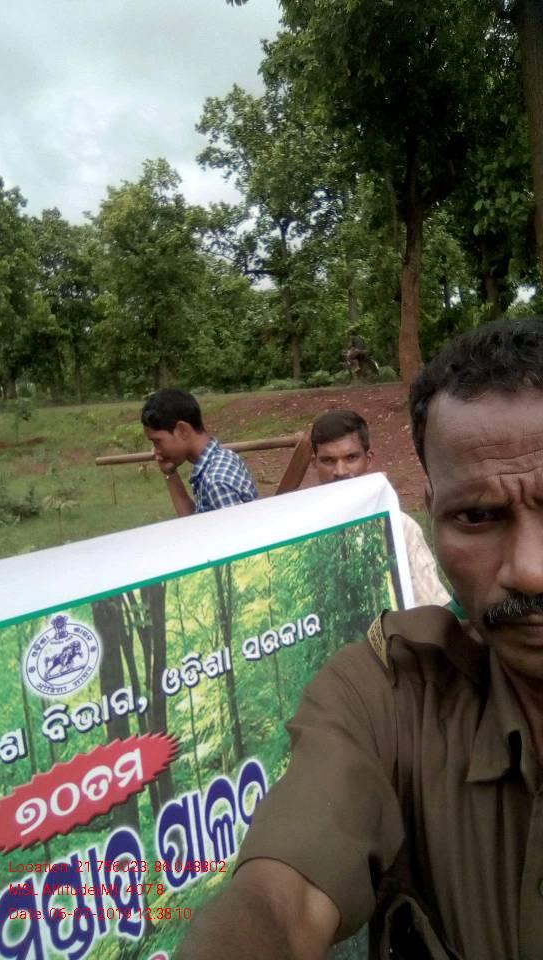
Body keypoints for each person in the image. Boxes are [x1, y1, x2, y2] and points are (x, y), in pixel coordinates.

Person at [177, 316, 543, 960]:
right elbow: (280, 902)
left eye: (352, 459)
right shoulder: (387, 696)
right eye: (477, 516)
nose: (530, 570)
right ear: (432, 507)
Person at [311, 409, 450, 607]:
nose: (340, 471)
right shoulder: (301, 529)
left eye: (351, 458)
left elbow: (434, 605)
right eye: (328, 461)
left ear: (368, 460)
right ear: (314, 463)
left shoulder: (400, 526)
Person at [141, 388, 257, 517]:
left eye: (157, 441)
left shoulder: (216, 482)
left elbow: (236, 529)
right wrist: (170, 473)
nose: (156, 450)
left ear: (183, 430)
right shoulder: (223, 457)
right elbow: (194, 522)